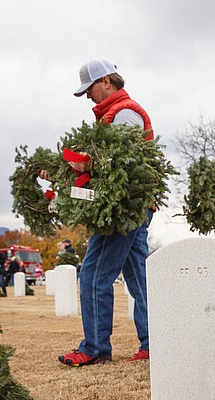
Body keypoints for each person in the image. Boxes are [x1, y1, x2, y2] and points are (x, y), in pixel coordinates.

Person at [45, 59, 154, 367]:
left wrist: (86, 164)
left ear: (106, 81)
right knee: (138, 277)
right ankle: (152, 342)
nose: (88, 97)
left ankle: (94, 347)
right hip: (134, 207)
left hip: (124, 209)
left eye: (89, 89)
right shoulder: (113, 113)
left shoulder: (124, 112)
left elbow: (123, 162)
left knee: (94, 274)